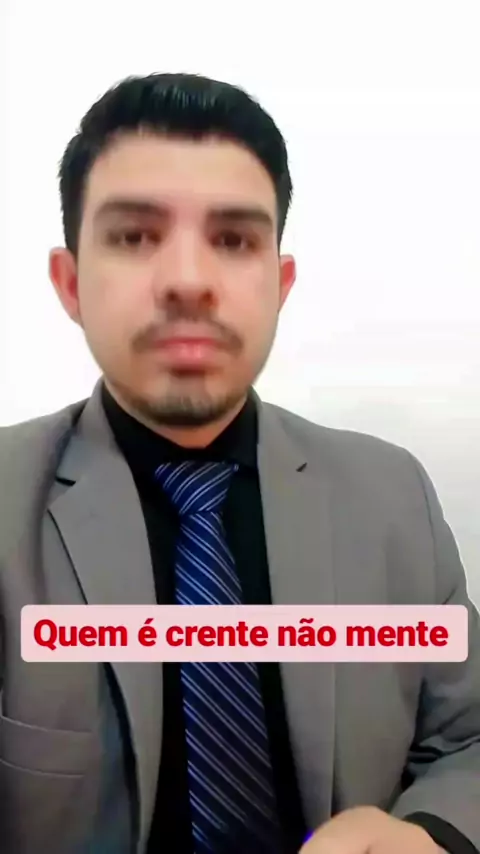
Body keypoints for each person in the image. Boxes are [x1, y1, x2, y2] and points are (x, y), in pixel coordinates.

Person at [0, 72, 478, 854]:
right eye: (135, 237)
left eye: (234, 240)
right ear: (71, 283)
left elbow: (467, 738)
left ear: (280, 285)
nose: (189, 282)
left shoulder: (394, 499)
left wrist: (429, 833)